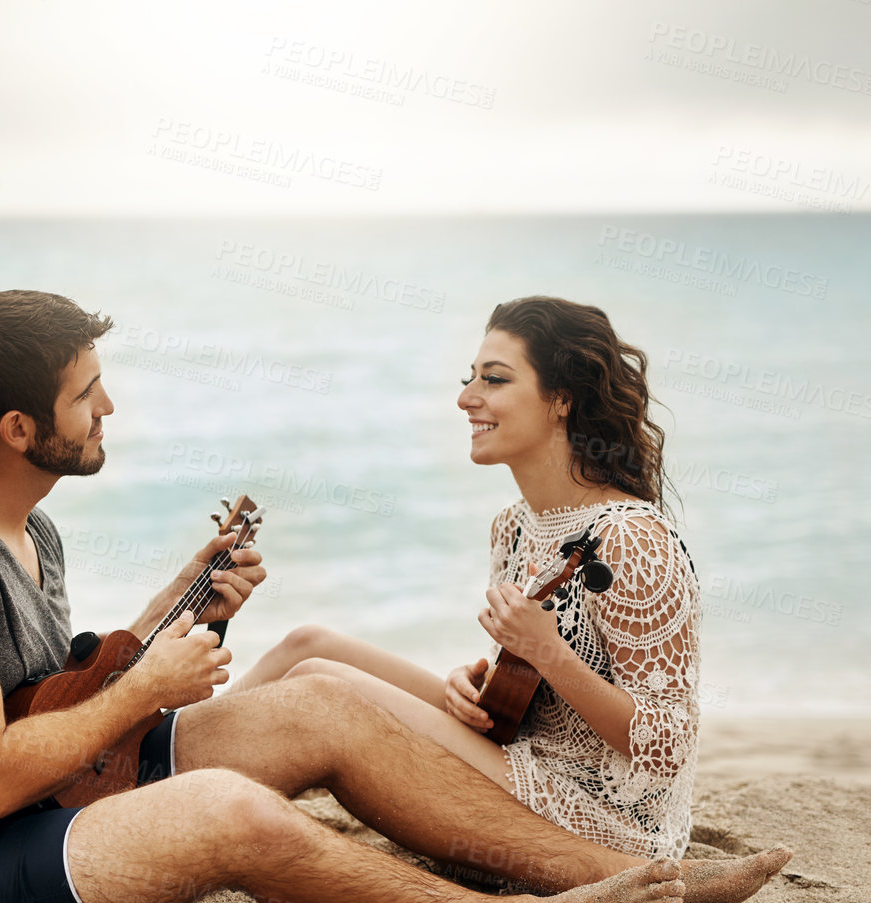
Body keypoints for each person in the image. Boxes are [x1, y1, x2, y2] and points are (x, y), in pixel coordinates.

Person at [0, 289, 790, 903]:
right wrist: (145, 689)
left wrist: (177, 605)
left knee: (320, 703)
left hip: (47, 803)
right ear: (16, 427)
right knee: (234, 814)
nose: (109, 406)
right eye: (86, 393)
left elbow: (42, 699)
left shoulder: (27, 525)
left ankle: (626, 870)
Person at [232, 296, 703, 864]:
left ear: (560, 400)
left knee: (318, 679)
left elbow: (667, 746)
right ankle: (154, 764)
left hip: (600, 815)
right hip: (519, 755)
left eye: (495, 380)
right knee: (307, 644)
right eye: (470, 378)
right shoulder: (513, 528)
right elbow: (522, 695)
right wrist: (471, 687)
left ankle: (183, 804)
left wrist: (548, 652)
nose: (466, 398)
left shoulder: (635, 539)